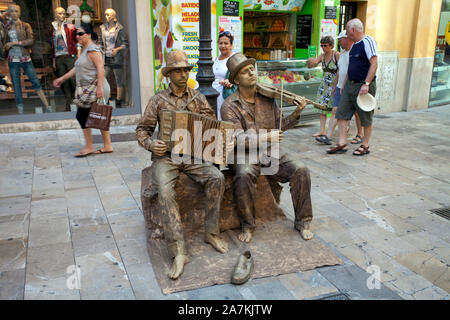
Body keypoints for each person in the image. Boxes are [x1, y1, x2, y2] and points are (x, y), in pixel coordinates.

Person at [136, 51, 229, 280]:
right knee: (165, 192)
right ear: (168, 74)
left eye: (185, 70)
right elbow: (142, 130)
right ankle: (178, 252)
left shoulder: (197, 98)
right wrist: (150, 144)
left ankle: (211, 231)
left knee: (217, 178)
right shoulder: (158, 100)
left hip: (192, 157)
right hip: (166, 157)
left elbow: (212, 125)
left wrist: (214, 137)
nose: (182, 74)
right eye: (177, 70)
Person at [221, 53, 314, 243]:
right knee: (244, 174)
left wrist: (296, 113)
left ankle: (302, 221)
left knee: (301, 170)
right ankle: (248, 224)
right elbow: (238, 138)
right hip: (244, 155)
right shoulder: (229, 106)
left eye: (252, 69)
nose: (251, 73)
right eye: (245, 72)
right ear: (236, 79)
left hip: (270, 153)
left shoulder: (268, 99)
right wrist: (266, 137)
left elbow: (280, 127)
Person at [53, 23, 113, 158]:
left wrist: (99, 88)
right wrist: (62, 79)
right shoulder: (85, 50)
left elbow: (100, 68)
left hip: (96, 87)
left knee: (82, 116)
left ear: (89, 35)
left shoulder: (92, 49)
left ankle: (89, 146)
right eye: (76, 34)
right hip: (89, 89)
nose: (77, 36)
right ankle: (107, 145)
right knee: (99, 115)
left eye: (80, 33)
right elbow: (77, 69)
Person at [327, 18, 378, 156]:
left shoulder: (368, 42)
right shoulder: (354, 45)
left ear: (354, 30)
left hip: (363, 86)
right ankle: (342, 143)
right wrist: (343, 84)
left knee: (365, 117)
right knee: (341, 113)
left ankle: (365, 145)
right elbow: (351, 66)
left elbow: (374, 63)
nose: (347, 34)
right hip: (350, 85)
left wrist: (366, 84)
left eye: (348, 31)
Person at [2, 4, 54, 114]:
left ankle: (47, 106)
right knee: (16, 85)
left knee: (35, 81)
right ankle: (20, 111)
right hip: (12, 59)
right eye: (11, 11)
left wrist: (15, 43)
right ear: (8, 13)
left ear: (19, 12)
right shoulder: (6, 27)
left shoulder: (25, 25)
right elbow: (4, 42)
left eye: (16, 11)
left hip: (24, 58)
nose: (13, 13)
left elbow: (31, 41)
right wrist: (6, 45)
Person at [329, 30, 363, 145]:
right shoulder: (342, 54)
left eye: (340, 39)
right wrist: (335, 86)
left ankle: (360, 134)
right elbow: (339, 71)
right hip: (340, 87)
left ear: (347, 39)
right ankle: (330, 136)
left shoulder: (354, 53)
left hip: (351, 86)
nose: (339, 42)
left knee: (357, 112)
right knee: (336, 111)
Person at [307, 36, 340, 141]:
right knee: (322, 108)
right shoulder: (322, 55)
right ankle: (322, 130)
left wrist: (337, 85)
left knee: (336, 108)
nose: (323, 47)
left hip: (334, 85)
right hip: (324, 85)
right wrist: (310, 62)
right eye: (321, 45)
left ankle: (342, 127)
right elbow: (314, 63)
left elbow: (341, 70)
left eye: (325, 45)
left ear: (331, 45)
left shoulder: (336, 55)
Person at [99, 8, 129, 107]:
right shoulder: (103, 28)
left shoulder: (119, 29)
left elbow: (125, 44)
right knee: (102, 78)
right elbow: (100, 42)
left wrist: (117, 49)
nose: (106, 17)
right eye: (105, 15)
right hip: (106, 58)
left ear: (113, 16)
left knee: (118, 79)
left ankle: (119, 100)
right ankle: (105, 99)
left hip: (116, 58)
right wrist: (100, 50)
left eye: (108, 15)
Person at [51, 7, 78, 111]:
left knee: (72, 79)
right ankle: (69, 103)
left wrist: (78, 56)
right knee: (63, 81)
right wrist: (53, 60)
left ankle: (79, 100)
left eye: (63, 13)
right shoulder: (53, 27)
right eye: (59, 13)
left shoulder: (70, 26)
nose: (62, 15)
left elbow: (77, 40)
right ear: (56, 15)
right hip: (58, 57)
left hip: (69, 56)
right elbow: (53, 45)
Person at [212, 31, 235, 120]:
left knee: (225, 120)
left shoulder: (233, 59)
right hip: (214, 96)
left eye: (226, 43)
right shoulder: (216, 58)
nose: (223, 46)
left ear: (231, 45)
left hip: (226, 96)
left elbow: (239, 77)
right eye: (220, 43)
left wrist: (231, 81)